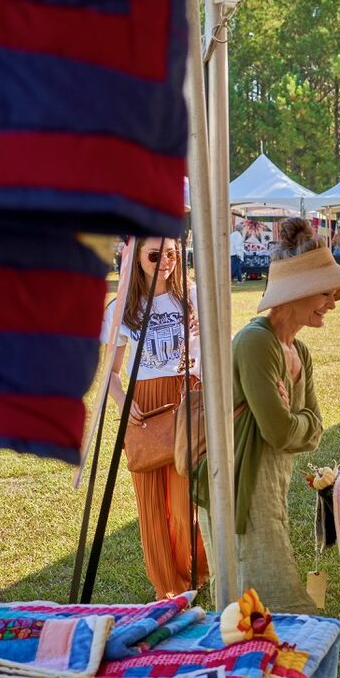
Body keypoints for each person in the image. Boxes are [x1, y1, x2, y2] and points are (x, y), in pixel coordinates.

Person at [203, 218, 340, 613]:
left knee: (260, 605)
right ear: (298, 292)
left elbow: (315, 431)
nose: (331, 303)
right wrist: (297, 422)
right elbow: (278, 432)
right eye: (325, 293)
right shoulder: (256, 342)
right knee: (269, 604)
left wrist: (297, 422)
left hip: (271, 482)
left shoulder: (299, 351)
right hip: (239, 486)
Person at [101, 237, 209, 600]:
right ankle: (168, 588)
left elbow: (211, 353)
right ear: (134, 257)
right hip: (143, 405)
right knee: (150, 505)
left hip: (185, 399)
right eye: (154, 255)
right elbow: (110, 374)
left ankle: (194, 574)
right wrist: (122, 399)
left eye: (171, 254)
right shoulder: (121, 309)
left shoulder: (193, 297)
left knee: (184, 503)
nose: (164, 261)